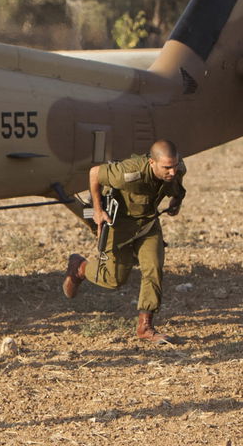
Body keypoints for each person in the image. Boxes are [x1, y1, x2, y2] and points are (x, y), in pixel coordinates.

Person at [62, 140, 187, 343]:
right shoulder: (128, 173)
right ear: (152, 162)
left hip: (147, 224)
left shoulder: (177, 168)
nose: (172, 171)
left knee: (153, 268)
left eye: (174, 166)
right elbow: (95, 173)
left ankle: (145, 327)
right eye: (166, 168)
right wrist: (98, 210)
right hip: (118, 225)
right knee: (114, 280)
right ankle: (80, 268)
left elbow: (177, 186)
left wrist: (176, 201)